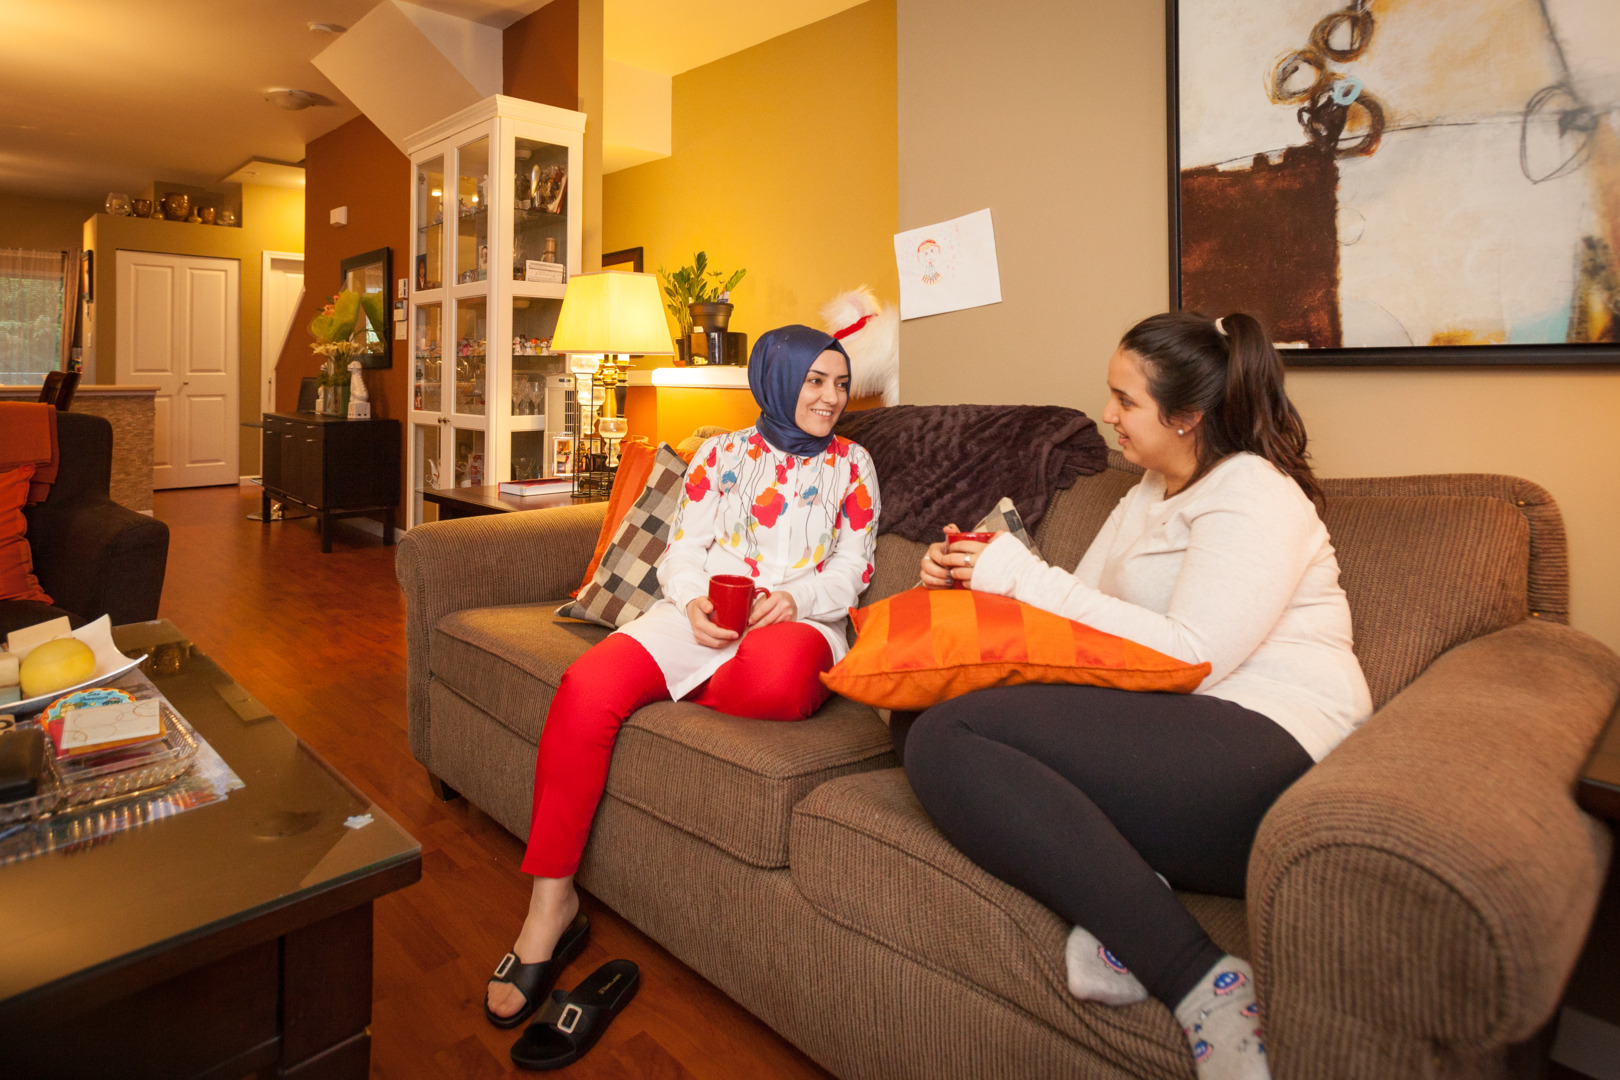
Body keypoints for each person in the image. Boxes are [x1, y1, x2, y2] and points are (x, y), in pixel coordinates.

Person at [907, 312, 1371, 1080]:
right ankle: (1125, 878)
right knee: (919, 708)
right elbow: (1077, 623)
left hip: (1271, 746)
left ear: (1187, 416)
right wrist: (970, 581)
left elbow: (1194, 656)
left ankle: (1206, 983)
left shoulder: (1254, 491)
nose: (1108, 414)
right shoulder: (1147, 492)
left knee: (945, 739)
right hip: (1168, 722)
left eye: (1126, 401)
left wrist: (1017, 575)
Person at [485, 324, 881, 1028]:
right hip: (700, 617)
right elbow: (683, 550)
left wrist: (798, 599)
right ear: (776, 379)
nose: (831, 397)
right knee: (585, 688)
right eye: (815, 380)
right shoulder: (720, 454)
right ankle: (551, 904)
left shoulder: (854, 464)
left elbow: (854, 569)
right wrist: (694, 601)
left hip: (797, 624)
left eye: (840, 384)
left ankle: (682, 684)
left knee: (781, 679)